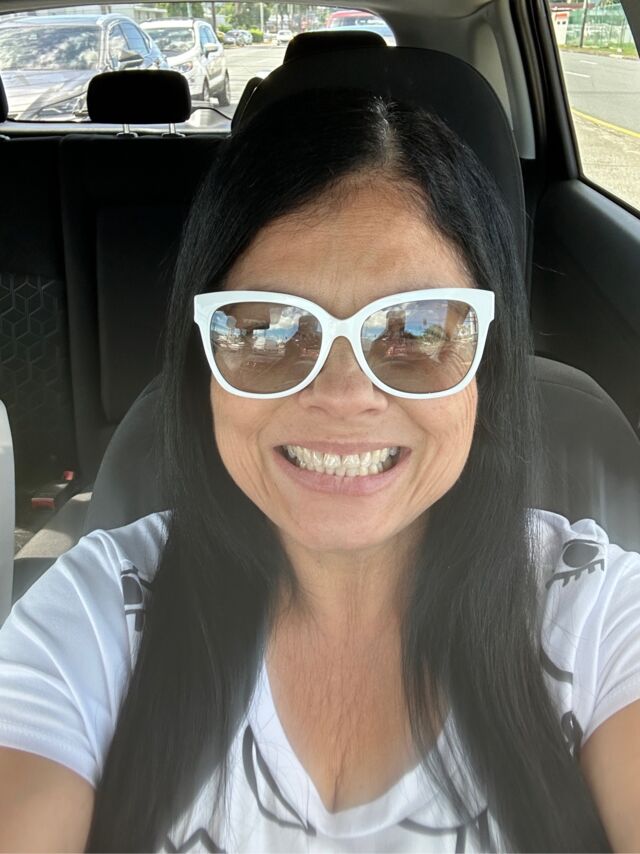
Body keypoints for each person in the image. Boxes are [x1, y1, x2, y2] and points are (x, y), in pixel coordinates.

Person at [0, 89, 639, 854]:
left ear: (487, 362)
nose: (343, 396)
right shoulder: (95, 616)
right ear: (203, 357)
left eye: (416, 330)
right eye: (270, 330)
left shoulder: (597, 619)